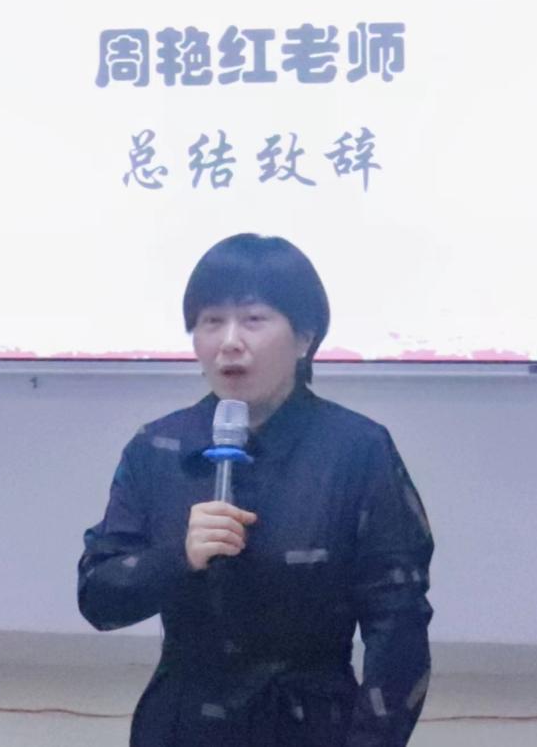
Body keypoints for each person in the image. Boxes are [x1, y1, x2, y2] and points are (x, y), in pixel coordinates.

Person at [78, 233, 434, 747]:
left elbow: (398, 629)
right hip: (182, 724)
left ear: (305, 337)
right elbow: (98, 599)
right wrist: (178, 556)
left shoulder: (357, 449)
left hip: (311, 724)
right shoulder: (158, 447)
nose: (229, 341)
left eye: (253, 319)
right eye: (210, 321)